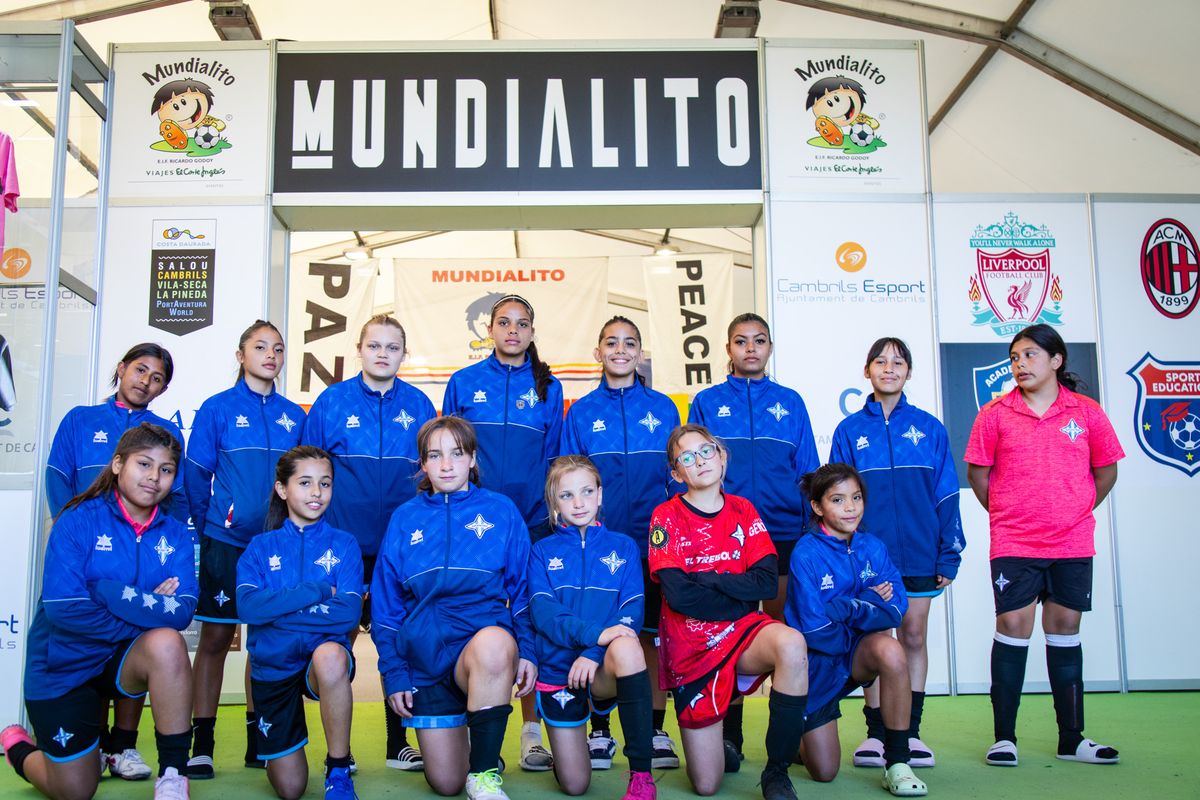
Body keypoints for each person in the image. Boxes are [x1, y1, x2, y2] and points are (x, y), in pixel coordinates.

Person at [1, 423, 198, 800]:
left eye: (167, 470)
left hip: (120, 660)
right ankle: (19, 748)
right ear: (118, 464)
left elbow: (182, 611)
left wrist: (109, 593)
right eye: (144, 464)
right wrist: (145, 605)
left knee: (167, 643)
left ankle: (173, 773)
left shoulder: (175, 534)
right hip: (64, 665)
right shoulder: (78, 519)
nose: (155, 478)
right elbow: (65, 610)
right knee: (75, 789)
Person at [966, 324, 1123, 768]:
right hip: (1015, 541)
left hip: (1072, 543)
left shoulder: (1087, 413)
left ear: (1057, 360)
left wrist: (1074, 509)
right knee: (1014, 627)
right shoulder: (995, 414)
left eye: (1031, 355)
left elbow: (1106, 471)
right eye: (1015, 357)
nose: (1020, 364)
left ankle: (1071, 740)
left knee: (1065, 630)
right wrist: (1008, 514)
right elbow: (978, 476)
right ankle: (1004, 739)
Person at [371, 416, 537, 800]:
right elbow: (386, 608)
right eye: (435, 455)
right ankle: (478, 742)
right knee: (445, 783)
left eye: (456, 454)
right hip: (427, 661)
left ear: (473, 459)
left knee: (495, 645)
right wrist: (395, 673)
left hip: (482, 649)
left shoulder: (502, 511)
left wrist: (526, 650)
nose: (446, 464)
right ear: (423, 465)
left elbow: (525, 591)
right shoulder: (404, 519)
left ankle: (483, 775)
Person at [43, 343, 186, 780]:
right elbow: (57, 478)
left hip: (140, 558)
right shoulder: (81, 419)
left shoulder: (168, 432)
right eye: (140, 369)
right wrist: (72, 541)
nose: (146, 380)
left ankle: (123, 745)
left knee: (144, 634)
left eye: (157, 376)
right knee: (93, 634)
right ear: (121, 369)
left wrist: (161, 563)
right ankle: (88, 738)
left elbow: (173, 505)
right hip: (84, 561)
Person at [301, 313, 435, 772]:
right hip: (341, 547)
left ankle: (398, 742)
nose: (382, 353)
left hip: (401, 548)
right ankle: (339, 751)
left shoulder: (419, 405)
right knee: (334, 644)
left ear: (403, 354)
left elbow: (431, 478)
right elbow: (310, 471)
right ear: (359, 349)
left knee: (397, 642)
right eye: (374, 345)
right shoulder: (330, 402)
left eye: (392, 347)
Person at [649, 424, 809, 800]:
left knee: (790, 643)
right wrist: (735, 589)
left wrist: (708, 578)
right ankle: (717, 746)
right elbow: (679, 596)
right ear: (676, 473)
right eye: (686, 457)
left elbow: (767, 584)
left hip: (743, 634)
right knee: (706, 786)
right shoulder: (665, 515)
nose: (699, 461)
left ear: (721, 456)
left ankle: (776, 771)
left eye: (706, 451)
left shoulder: (743, 509)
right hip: (691, 648)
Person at [687, 313, 819, 760]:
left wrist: (808, 528)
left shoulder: (790, 401)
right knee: (728, 638)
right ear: (728, 348)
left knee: (786, 633)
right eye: (741, 341)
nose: (750, 348)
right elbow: (694, 468)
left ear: (769, 347)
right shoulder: (706, 402)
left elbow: (808, 472)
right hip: (725, 535)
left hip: (783, 533)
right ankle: (730, 736)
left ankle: (791, 735)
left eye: (759, 341)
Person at [829, 337, 964, 769]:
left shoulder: (929, 428)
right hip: (866, 558)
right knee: (874, 640)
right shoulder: (849, 431)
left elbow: (946, 494)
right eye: (880, 361)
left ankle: (909, 732)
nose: (889, 368)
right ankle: (876, 734)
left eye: (898, 362)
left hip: (922, 553)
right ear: (867, 370)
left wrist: (949, 552)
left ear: (909, 372)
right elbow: (835, 498)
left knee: (913, 637)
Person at [442, 293, 563, 770]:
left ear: (532, 332)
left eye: (522, 324)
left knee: (533, 621)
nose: (513, 330)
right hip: (476, 523)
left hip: (533, 520)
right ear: (489, 330)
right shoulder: (464, 382)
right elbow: (447, 452)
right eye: (504, 322)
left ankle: (532, 735)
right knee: (475, 619)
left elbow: (554, 460)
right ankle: (476, 727)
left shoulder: (548, 387)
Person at [559, 315, 681, 770]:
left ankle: (653, 727)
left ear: (640, 352)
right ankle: (599, 729)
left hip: (653, 544)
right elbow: (569, 479)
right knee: (598, 631)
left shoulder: (666, 408)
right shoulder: (581, 412)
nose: (621, 350)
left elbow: (676, 478)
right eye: (611, 342)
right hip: (599, 544)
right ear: (599, 352)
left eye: (630, 343)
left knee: (650, 636)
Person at [185, 319, 306, 778]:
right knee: (216, 639)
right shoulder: (216, 409)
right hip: (225, 542)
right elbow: (195, 478)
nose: (270, 355)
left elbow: (301, 482)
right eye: (260, 347)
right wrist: (210, 526)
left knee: (265, 643)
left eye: (277, 347)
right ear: (241, 356)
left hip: (274, 548)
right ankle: (203, 741)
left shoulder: (295, 415)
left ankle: (261, 738)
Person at [786, 463, 929, 796]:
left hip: (856, 655)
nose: (850, 507)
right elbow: (816, 630)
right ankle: (796, 733)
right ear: (818, 507)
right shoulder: (805, 553)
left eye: (856, 497)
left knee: (890, 649)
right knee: (824, 772)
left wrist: (845, 607)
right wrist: (865, 604)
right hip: (818, 666)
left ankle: (897, 763)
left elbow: (894, 610)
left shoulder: (873, 548)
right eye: (837, 500)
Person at [236, 445, 364, 800]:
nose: (316, 493)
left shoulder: (346, 545)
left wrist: (277, 611)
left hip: (319, 662)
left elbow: (348, 613)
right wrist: (319, 590)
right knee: (290, 789)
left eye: (325, 484)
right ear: (282, 489)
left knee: (331, 655)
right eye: (305, 483)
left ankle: (338, 768)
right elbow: (248, 608)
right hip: (273, 668)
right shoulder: (259, 548)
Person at [529, 455, 656, 800]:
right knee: (575, 785)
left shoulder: (625, 547)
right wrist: (595, 636)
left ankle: (641, 775)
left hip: (601, 669)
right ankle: (568, 753)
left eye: (587, 491)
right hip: (559, 672)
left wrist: (593, 651)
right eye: (567, 495)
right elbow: (543, 611)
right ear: (554, 502)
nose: (579, 502)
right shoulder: (541, 551)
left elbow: (630, 613)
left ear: (600, 494)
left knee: (629, 646)